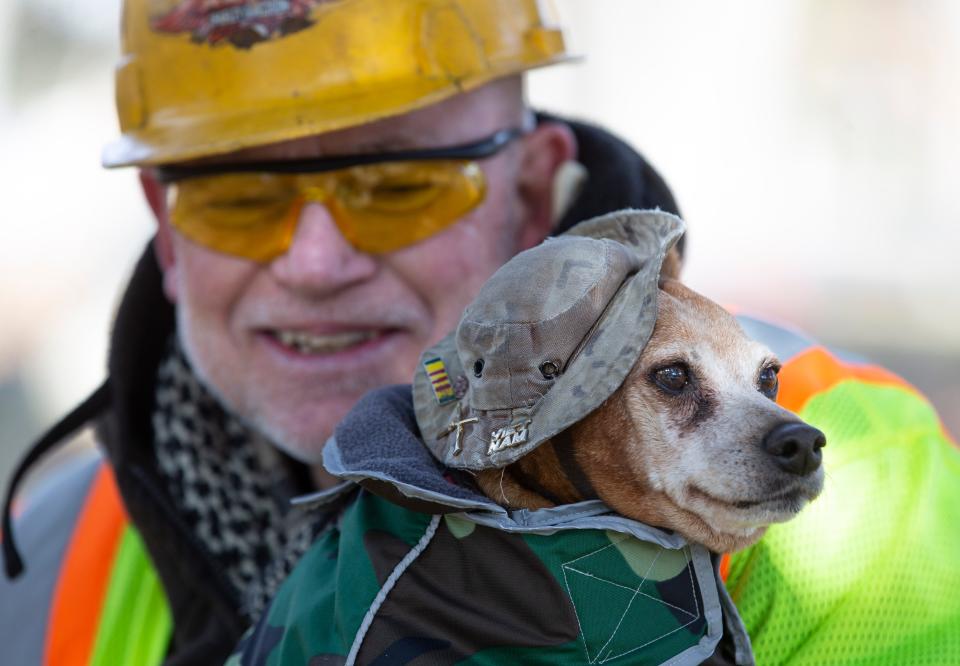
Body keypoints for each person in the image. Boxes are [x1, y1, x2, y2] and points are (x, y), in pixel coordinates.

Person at [3, 0, 959, 664]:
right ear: (165, 227)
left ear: (535, 190)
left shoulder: (864, 500)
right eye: (238, 198)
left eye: (401, 187)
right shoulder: (44, 560)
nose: (314, 264)